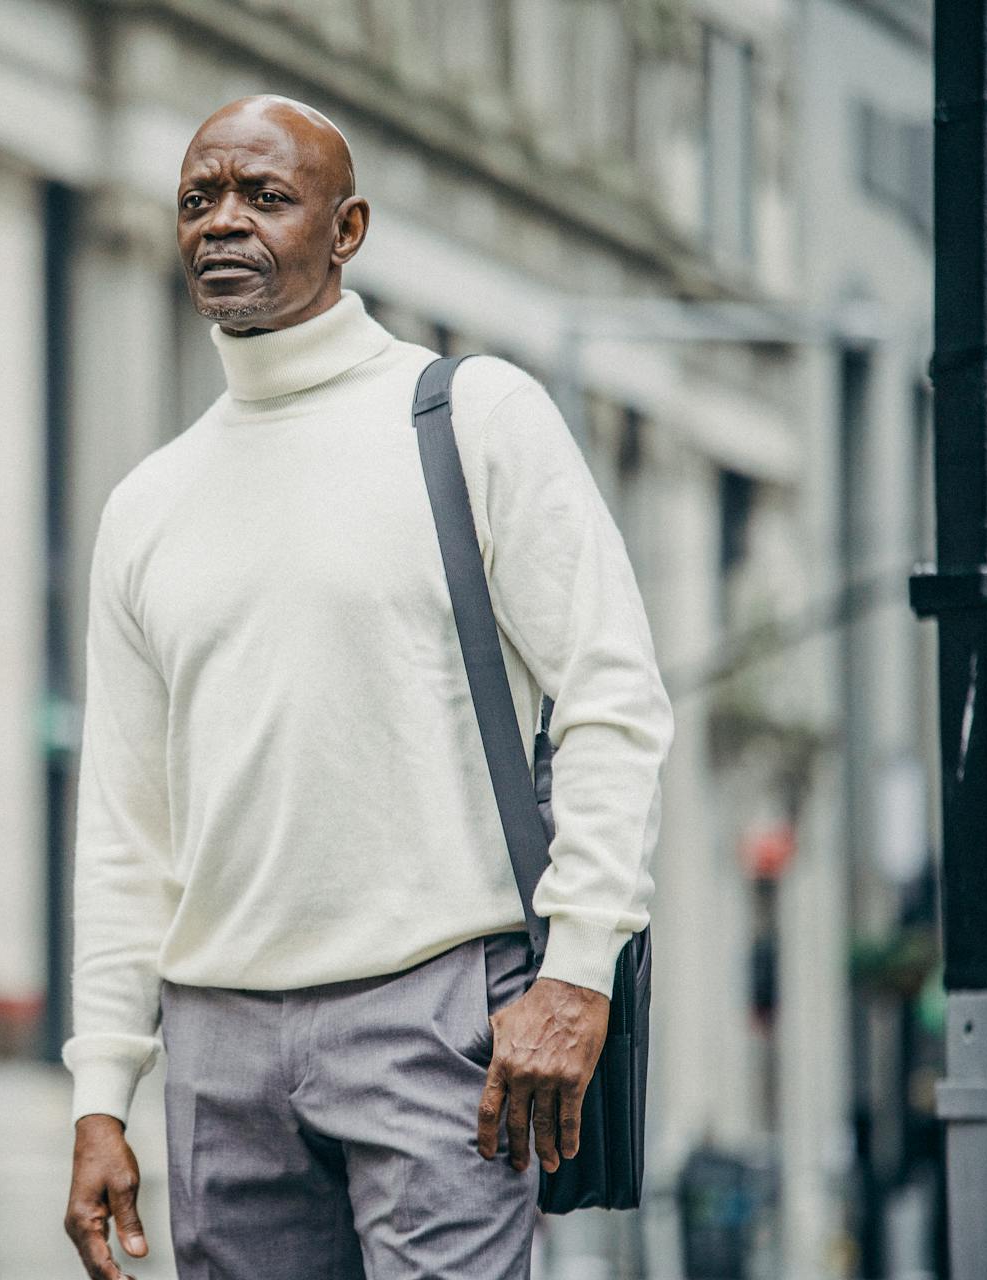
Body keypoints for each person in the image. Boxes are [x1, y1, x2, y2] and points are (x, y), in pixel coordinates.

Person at [60, 94, 675, 1280]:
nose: (223, 222)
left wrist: (577, 970)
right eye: (200, 199)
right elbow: (124, 829)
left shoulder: (470, 417)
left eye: (264, 196)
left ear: (347, 231)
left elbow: (612, 695)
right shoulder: (146, 504)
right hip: (218, 1047)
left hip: (436, 1014)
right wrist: (102, 1091)